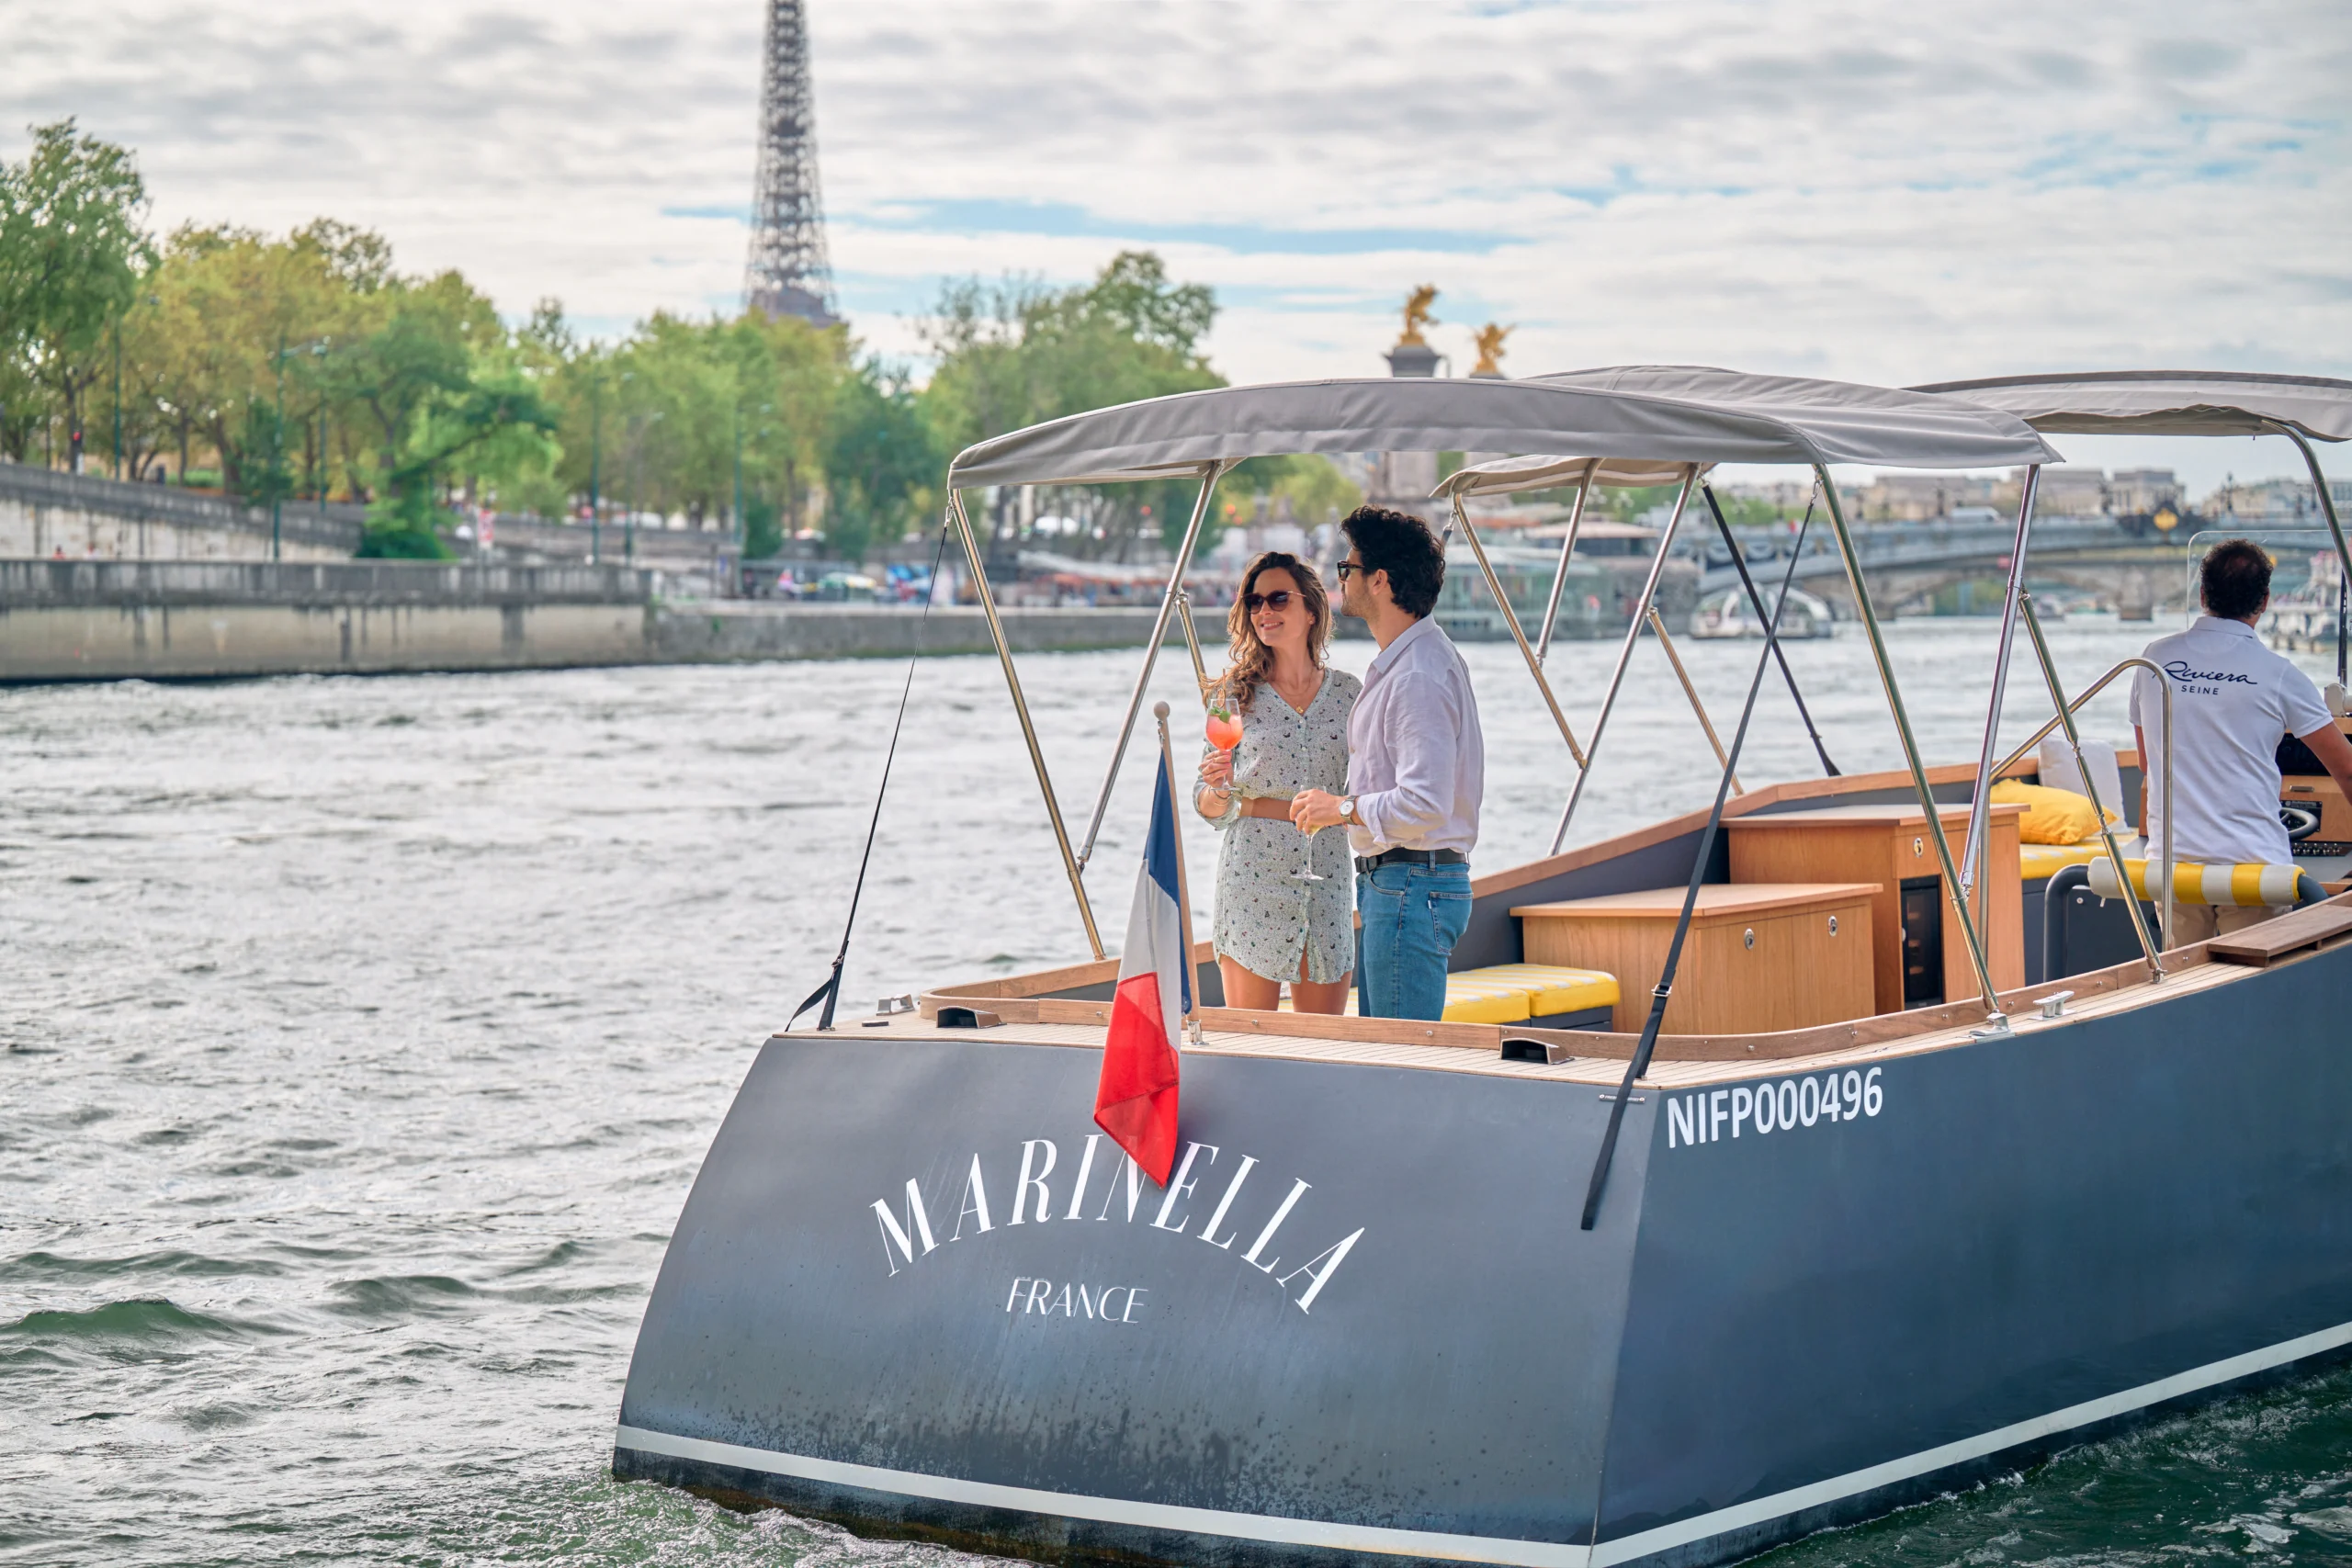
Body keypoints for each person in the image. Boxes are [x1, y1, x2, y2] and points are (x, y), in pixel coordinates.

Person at [1292, 506, 1485, 1021]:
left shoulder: (1416, 675)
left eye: (1347, 568)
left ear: (1379, 580)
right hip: (1402, 887)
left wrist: (1343, 808)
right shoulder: (1412, 662)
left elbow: (1424, 804)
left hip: (1409, 887)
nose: (1342, 578)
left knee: (1402, 1067)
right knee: (1390, 1056)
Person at [2130, 538, 2352, 944]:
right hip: (2252, 873)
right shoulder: (2280, 674)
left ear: (2202, 594)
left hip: (2173, 869)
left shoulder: (2152, 660)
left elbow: (2148, 763)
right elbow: (2348, 772)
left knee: (2184, 987)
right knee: (2256, 990)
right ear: (2265, 601)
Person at [1193, 552, 1363, 1014]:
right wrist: (1223, 789)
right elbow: (1207, 804)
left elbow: (1367, 787)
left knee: (1323, 1044)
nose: (1264, 611)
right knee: (1252, 1039)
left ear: (1311, 609)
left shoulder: (1351, 694)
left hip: (1327, 879)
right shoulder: (1231, 695)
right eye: (1254, 602)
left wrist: (1260, 803)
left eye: (1278, 599)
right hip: (1253, 881)